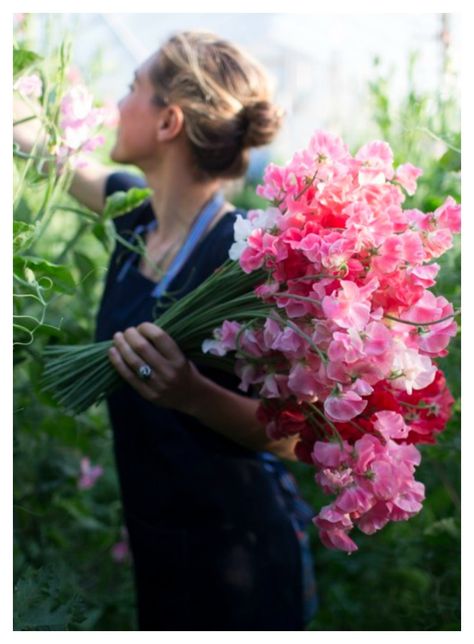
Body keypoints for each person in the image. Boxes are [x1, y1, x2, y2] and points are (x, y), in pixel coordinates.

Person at [14, 30, 317, 631]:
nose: (115, 104)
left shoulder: (244, 260)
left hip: (240, 556)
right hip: (159, 537)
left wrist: (192, 394)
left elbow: (298, 437)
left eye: (132, 89)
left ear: (168, 122)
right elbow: (53, 158)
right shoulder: (135, 214)